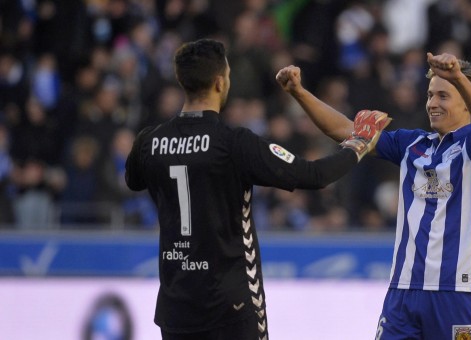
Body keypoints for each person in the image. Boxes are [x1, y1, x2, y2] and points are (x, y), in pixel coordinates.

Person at [124, 38, 390, 340]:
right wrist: (358, 144)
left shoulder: (149, 141)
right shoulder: (234, 143)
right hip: (230, 304)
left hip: (176, 307)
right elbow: (314, 175)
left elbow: (133, 180)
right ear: (220, 82)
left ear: (181, 80)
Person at [276, 51, 471, 340]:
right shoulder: (412, 144)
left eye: (443, 96)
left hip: (457, 294)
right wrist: (299, 92)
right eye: (430, 95)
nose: (432, 103)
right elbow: (345, 130)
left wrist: (457, 75)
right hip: (403, 294)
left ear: (468, 103)